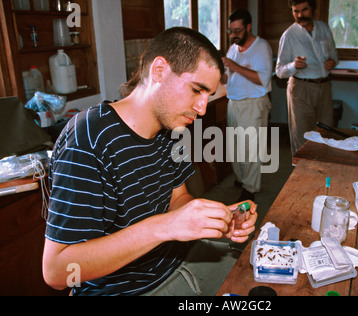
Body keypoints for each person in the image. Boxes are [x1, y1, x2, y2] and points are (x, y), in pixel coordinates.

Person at [42, 27, 257, 296]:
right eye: (196, 90)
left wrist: (213, 219)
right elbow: (57, 271)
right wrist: (166, 226)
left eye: (208, 95)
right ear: (159, 71)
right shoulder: (87, 138)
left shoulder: (172, 129)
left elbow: (177, 199)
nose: (202, 109)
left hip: (175, 272)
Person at [222, 9, 273, 202]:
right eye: (230, 31)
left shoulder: (261, 47)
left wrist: (235, 66)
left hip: (253, 103)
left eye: (237, 30)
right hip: (234, 102)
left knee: (250, 148)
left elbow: (263, 78)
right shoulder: (233, 48)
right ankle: (243, 178)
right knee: (235, 146)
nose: (234, 35)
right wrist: (220, 71)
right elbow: (227, 78)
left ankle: (250, 187)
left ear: (248, 27)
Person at [276, 0, 338, 157]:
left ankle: (322, 174)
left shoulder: (323, 28)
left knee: (326, 132)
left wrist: (332, 62)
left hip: (324, 87)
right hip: (301, 89)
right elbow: (279, 71)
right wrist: (293, 65)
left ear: (313, 9)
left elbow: (334, 55)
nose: (299, 15)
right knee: (302, 137)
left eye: (304, 10)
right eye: (295, 11)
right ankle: (300, 177)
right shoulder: (289, 35)